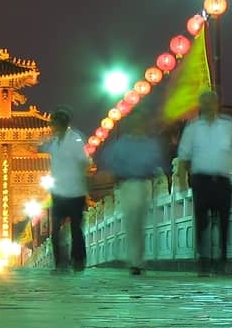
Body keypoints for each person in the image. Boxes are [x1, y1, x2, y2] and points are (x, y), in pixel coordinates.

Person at [176, 88, 232, 275]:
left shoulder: (228, 125)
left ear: (217, 104)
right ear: (200, 105)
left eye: (212, 102)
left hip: (222, 179)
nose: (208, 105)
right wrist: (181, 180)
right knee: (201, 220)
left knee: (224, 220)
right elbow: (184, 155)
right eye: (204, 102)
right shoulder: (193, 128)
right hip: (201, 180)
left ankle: (222, 259)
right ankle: (203, 261)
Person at [99, 107, 166, 275]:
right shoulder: (121, 145)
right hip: (127, 184)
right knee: (132, 222)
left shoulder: (149, 144)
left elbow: (157, 162)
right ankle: (135, 261)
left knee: (140, 222)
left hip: (144, 183)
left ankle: (138, 259)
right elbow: (109, 161)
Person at [37, 106, 90, 273]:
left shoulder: (75, 140)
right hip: (59, 193)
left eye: (54, 124)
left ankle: (78, 260)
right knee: (55, 230)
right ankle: (60, 263)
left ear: (62, 124)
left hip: (75, 192)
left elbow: (84, 161)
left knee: (75, 229)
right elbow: (41, 148)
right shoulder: (53, 143)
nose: (52, 127)